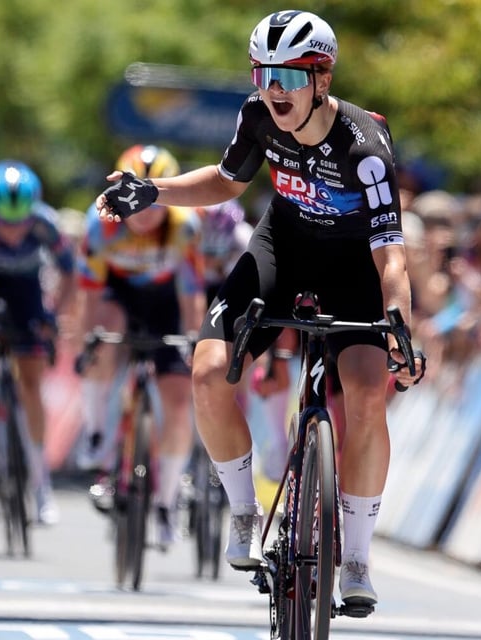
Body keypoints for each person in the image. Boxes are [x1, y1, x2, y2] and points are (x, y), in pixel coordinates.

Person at [96, 10, 427, 611]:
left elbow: (391, 256)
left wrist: (400, 324)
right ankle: (245, 512)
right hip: (283, 248)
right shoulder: (257, 117)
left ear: (321, 79)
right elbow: (226, 183)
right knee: (205, 372)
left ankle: (355, 557)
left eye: (289, 76)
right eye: (263, 72)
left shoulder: (366, 146)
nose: (274, 88)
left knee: (367, 393)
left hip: (355, 266)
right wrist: (155, 191)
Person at [80, 144, 204, 549]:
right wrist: (88, 343)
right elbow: (91, 294)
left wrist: (194, 341)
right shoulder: (100, 225)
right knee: (106, 331)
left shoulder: (185, 226)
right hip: (120, 298)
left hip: (167, 304)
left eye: (154, 202)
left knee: (178, 400)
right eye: (135, 203)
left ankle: (166, 502)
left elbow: (191, 294)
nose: (146, 214)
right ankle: (97, 431)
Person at [0, 160, 74, 525]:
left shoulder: (46, 223)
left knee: (31, 381)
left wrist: (55, 317)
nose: (11, 231)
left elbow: (70, 272)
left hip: (27, 289)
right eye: (4, 222)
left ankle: (41, 486)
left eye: (19, 222)